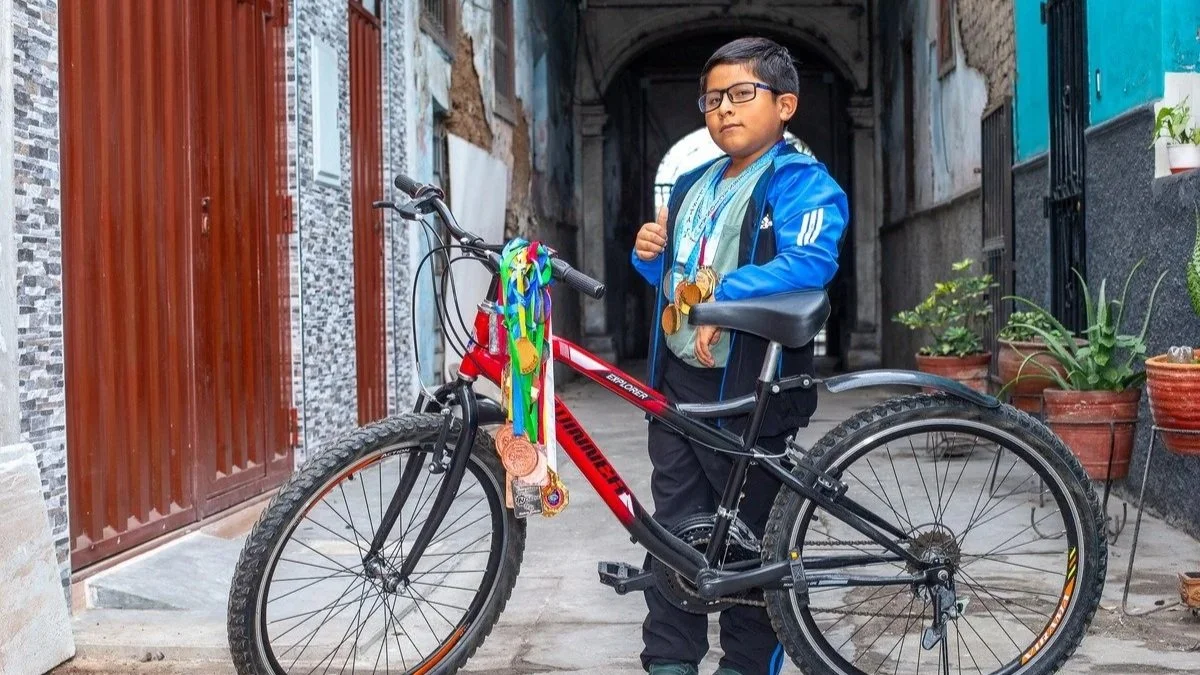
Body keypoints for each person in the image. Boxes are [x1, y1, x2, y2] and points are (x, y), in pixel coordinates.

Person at [629, 36, 850, 675]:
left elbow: (811, 262)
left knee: (752, 531)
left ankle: (749, 665)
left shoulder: (799, 180)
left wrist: (725, 293)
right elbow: (673, 273)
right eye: (713, 98)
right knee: (672, 527)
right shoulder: (696, 181)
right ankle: (669, 660)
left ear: (785, 105)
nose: (724, 108)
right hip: (676, 379)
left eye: (741, 94)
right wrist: (649, 256)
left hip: (750, 382)